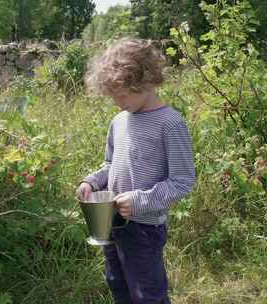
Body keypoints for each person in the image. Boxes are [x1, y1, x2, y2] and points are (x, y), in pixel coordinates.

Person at [76, 38, 196, 304]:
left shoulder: (170, 124)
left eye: (122, 95)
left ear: (145, 81)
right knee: (117, 284)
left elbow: (182, 181)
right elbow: (109, 164)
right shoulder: (119, 121)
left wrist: (139, 200)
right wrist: (92, 183)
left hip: (144, 229)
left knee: (147, 294)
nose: (117, 103)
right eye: (113, 97)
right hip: (110, 222)